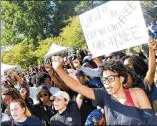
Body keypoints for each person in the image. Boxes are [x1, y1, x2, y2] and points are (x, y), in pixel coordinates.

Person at [51, 56, 157, 125]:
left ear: (121, 78)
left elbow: (151, 121)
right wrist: (58, 70)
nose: (107, 83)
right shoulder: (104, 96)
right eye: (104, 80)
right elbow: (78, 87)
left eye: (111, 79)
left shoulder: (137, 93)